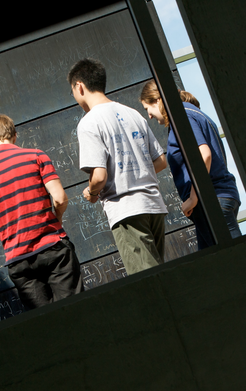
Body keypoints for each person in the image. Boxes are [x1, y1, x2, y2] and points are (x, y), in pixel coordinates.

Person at [0, 115, 83, 309]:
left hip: (18, 260)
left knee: (45, 326)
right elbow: (59, 198)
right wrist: (57, 218)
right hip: (53, 248)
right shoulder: (36, 156)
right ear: (15, 135)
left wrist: (10, 230)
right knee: (75, 311)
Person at [68, 58, 169, 275]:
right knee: (160, 274)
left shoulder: (89, 123)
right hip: (154, 206)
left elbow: (99, 177)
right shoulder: (134, 114)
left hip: (126, 210)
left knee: (148, 283)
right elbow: (160, 160)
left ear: (79, 86)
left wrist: (91, 192)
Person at [139, 80, 241, 250]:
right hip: (219, 197)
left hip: (211, 201)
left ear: (157, 100)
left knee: (238, 260)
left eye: (147, 109)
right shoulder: (196, 113)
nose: (149, 116)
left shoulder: (182, 115)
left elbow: (204, 155)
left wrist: (194, 197)